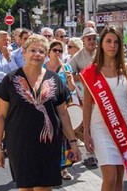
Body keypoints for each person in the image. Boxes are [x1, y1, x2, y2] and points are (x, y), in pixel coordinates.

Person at [0, 34, 81, 191]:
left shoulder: (55, 80)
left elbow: (63, 114)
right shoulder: (10, 80)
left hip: (48, 144)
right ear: (24, 52)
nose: (37, 54)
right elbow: (1, 116)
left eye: (42, 51)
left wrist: (73, 142)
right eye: (32, 50)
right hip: (20, 145)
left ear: (47, 55)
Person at [81, 26, 127, 191]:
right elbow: (87, 105)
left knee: (119, 175)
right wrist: (86, 133)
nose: (112, 45)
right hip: (100, 128)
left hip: (123, 126)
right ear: (101, 44)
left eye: (116, 41)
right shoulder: (91, 72)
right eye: (108, 41)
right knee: (110, 176)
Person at [43, 40, 76, 180]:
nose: (57, 53)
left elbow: (72, 88)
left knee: (65, 138)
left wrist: (69, 80)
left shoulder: (66, 67)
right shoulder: (43, 68)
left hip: (63, 105)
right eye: (54, 50)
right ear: (48, 52)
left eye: (60, 51)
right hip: (48, 106)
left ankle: (64, 168)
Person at [70, 27, 99, 167]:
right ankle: (91, 154)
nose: (92, 41)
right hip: (85, 96)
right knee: (88, 124)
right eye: (89, 38)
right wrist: (83, 76)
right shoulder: (77, 57)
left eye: (94, 38)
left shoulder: (102, 52)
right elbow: (68, 75)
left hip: (103, 94)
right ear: (83, 40)